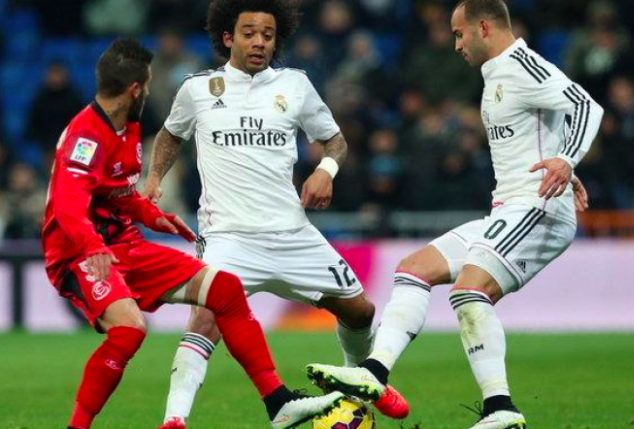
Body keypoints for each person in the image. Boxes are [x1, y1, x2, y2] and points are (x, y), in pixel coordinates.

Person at [306, 1, 604, 429]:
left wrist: (566, 161)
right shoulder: (495, 75)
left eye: (459, 34)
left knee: (468, 292)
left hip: (536, 208)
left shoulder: (522, 64)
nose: (456, 43)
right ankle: (374, 374)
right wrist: (558, 159)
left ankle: (500, 408)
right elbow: (542, 130)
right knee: (413, 269)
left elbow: (585, 105)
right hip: (509, 208)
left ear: (484, 27)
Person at [41, 38, 344, 429]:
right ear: (136, 88)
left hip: (123, 243)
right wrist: (92, 246)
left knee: (225, 290)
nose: (149, 91)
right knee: (130, 331)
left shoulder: (127, 127)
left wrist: (152, 216)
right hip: (79, 252)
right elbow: (67, 205)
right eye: (147, 84)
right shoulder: (86, 136)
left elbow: (117, 192)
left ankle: (278, 402)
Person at [142, 1, 405, 428]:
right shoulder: (197, 89)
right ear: (228, 37)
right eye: (249, 33)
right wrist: (154, 178)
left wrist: (325, 170)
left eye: (267, 34)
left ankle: (361, 387)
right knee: (205, 317)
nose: (259, 41)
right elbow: (171, 135)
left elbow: (335, 141)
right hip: (228, 236)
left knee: (360, 312)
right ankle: (174, 419)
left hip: (290, 232)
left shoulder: (295, 85)